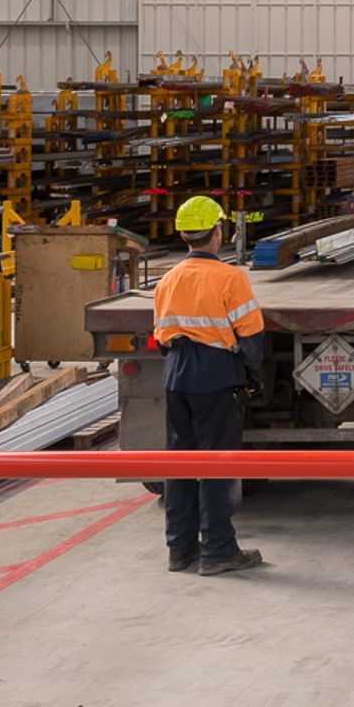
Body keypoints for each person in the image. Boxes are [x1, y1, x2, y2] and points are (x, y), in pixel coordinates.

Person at [149, 194, 266, 576]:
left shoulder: (167, 280)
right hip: (215, 374)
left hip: (176, 374)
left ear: (185, 236)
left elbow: (163, 339)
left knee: (180, 464)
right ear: (217, 232)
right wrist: (251, 373)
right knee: (218, 464)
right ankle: (218, 550)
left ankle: (180, 550)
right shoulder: (230, 278)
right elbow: (250, 338)